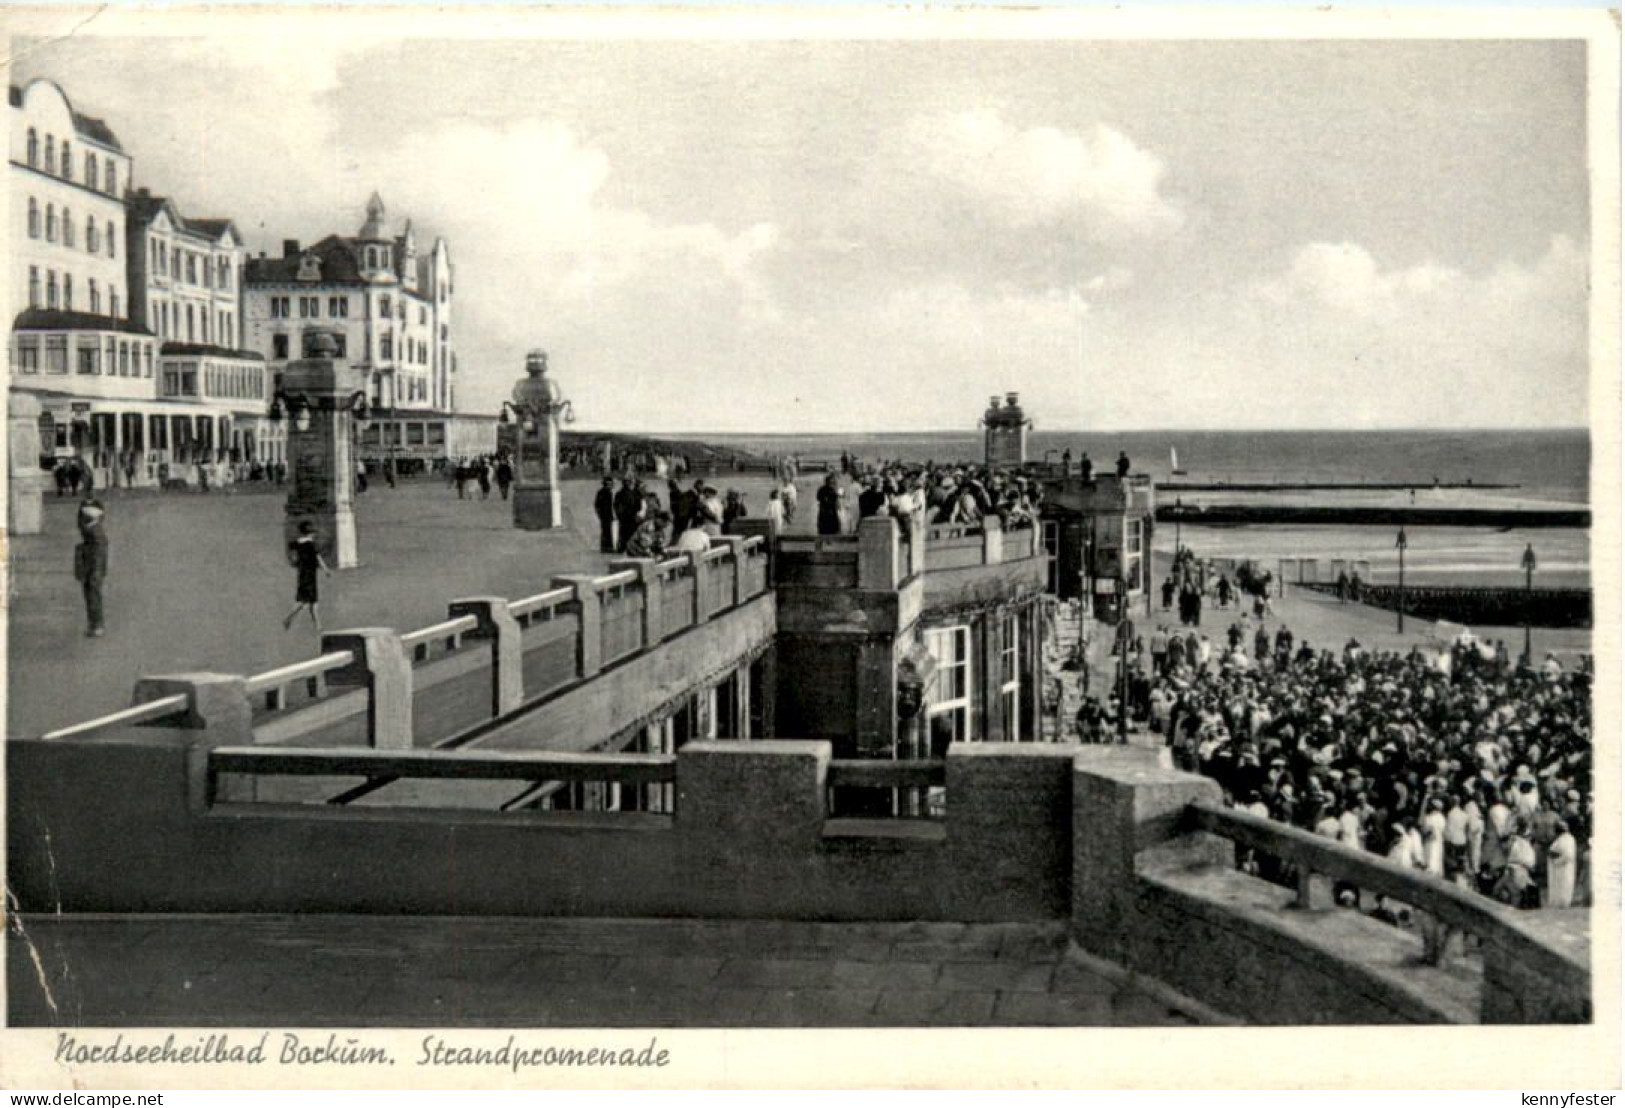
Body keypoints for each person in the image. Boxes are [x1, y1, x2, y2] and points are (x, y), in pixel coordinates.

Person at [282, 522, 333, 633]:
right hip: (310, 575)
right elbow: (319, 558)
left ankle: (318, 626)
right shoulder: (311, 545)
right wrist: (326, 570)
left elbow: (290, 552)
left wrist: (295, 560)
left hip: (302, 574)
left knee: (311, 602)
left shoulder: (297, 543)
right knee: (307, 601)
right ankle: (288, 619)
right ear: (310, 533)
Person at [73, 497, 109, 638]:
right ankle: (94, 624)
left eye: (83, 518)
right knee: (90, 592)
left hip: (93, 565)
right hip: (90, 563)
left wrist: (95, 572)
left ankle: (97, 625)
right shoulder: (93, 529)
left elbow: (99, 554)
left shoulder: (95, 532)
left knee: (92, 592)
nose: (80, 523)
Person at [1546, 820, 1577, 909]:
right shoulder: (1561, 839)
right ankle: (1557, 903)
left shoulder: (1568, 839)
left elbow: (1568, 855)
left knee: (1564, 885)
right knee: (1557, 886)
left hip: (1563, 867)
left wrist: (1556, 858)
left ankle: (1563, 903)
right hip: (1557, 867)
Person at [594, 477, 617, 552]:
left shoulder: (608, 492)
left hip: (607, 514)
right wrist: (600, 514)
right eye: (610, 484)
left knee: (607, 531)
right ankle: (606, 547)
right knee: (606, 531)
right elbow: (597, 504)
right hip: (604, 515)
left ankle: (607, 547)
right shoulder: (603, 493)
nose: (612, 486)